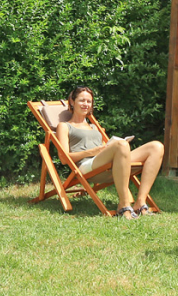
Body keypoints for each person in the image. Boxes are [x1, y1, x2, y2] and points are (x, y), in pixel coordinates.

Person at [55, 86, 165, 219]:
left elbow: (104, 150)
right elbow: (64, 158)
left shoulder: (94, 126)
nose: (86, 104)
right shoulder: (65, 126)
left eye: (89, 101)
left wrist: (107, 147)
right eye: (82, 100)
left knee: (156, 146)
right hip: (86, 166)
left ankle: (140, 202)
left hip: (106, 163)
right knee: (121, 144)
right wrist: (92, 151)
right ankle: (123, 205)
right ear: (72, 102)